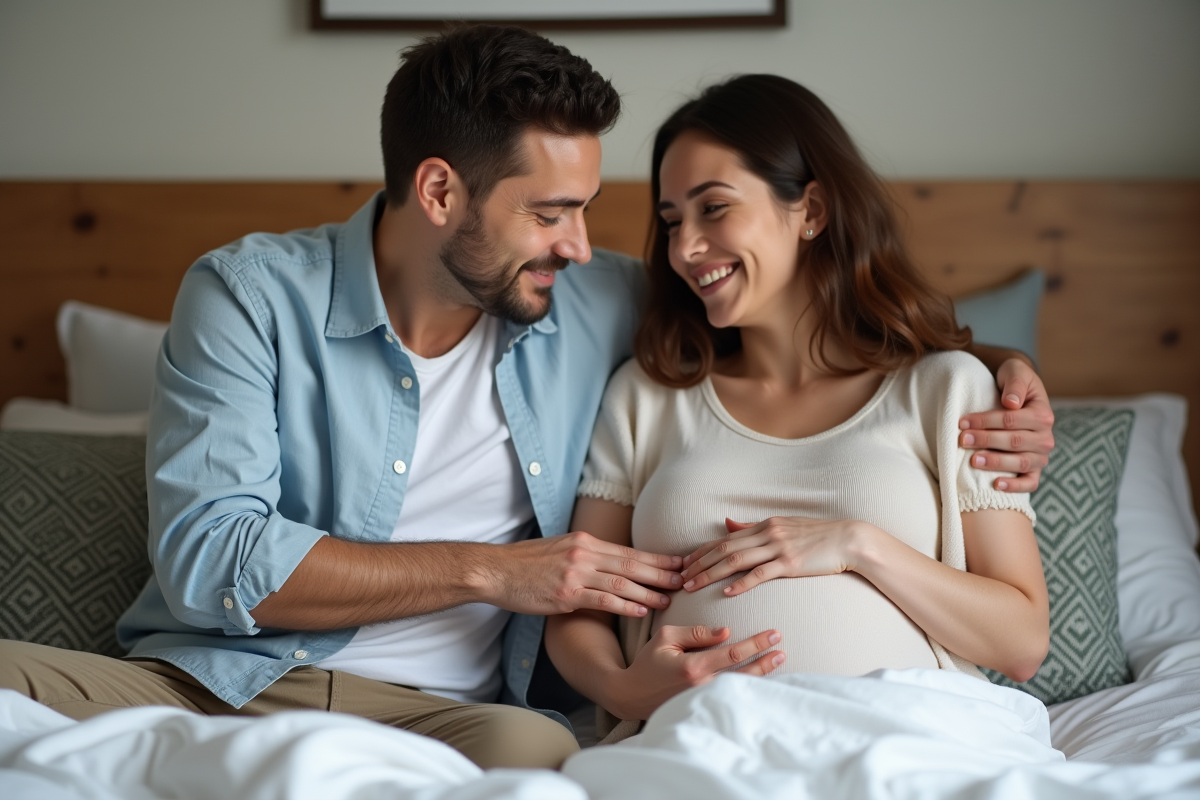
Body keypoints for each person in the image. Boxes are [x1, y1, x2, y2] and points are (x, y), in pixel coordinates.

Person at [0, 31, 1052, 769]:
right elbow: (211, 558)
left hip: (454, 721)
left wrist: (1001, 365)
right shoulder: (249, 296)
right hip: (214, 681)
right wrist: (497, 571)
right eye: (550, 212)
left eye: (587, 209)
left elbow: (798, 317)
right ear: (440, 192)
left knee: (541, 754)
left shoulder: (599, 304)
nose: (585, 246)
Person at [544, 74, 1051, 737]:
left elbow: (1022, 642)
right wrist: (620, 687)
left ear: (811, 209)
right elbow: (578, 606)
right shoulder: (645, 396)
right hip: (697, 748)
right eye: (671, 222)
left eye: (714, 208)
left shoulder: (949, 389)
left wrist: (856, 544)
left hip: (907, 745)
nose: (685, 248)